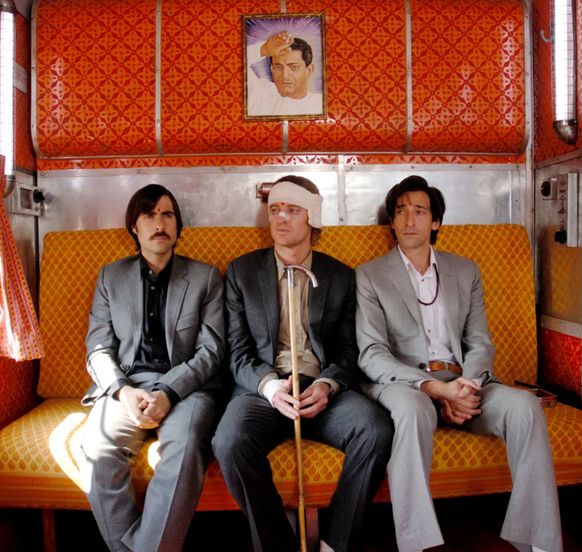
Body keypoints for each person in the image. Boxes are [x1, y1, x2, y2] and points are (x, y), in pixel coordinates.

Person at [355, 176, 562, 552]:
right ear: (391, 222)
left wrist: (465, 387)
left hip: (463, 380)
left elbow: (480, 341)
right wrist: (434, 388)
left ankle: (539, 540)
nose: (408, 220)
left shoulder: (465, 270)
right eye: (400, 211)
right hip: (405, 384)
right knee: (411, 410)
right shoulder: (370, 275)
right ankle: (415, 544)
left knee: (524, 407)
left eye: (419, 211)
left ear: (435, 222)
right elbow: (372, 353)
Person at [212, 175, 392, 552]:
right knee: (229, 440)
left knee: (374, 429)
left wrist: (327, 385)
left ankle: (334, 544)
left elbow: (347, 351)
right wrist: (269, 387)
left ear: (312, 217)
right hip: (263, 390)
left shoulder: (340, 276)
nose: (280, 219)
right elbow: (238, 352)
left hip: (323, 389)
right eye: (275, 210)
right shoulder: (242, 273)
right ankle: (277, 544)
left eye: (292, 210)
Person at [80, 184, 225, 552]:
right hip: (127, 386)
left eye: (167, 215)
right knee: (96, 444)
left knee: (187, 442)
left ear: (178, 226)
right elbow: (97, 348)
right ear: (134, 226)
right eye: (149, 215)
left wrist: (168, 392)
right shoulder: (110, 277)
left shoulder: (205, 277)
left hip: (187, 387)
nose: (159, 223)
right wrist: (123, 391)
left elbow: (211, 351)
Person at [246, 31, 323, 117]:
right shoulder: (261, 93)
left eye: (294, 67)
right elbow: (231, 65)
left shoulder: (321, 104)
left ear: (309, 71)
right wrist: (264, 50)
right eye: (277, 67)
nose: (285, 75)